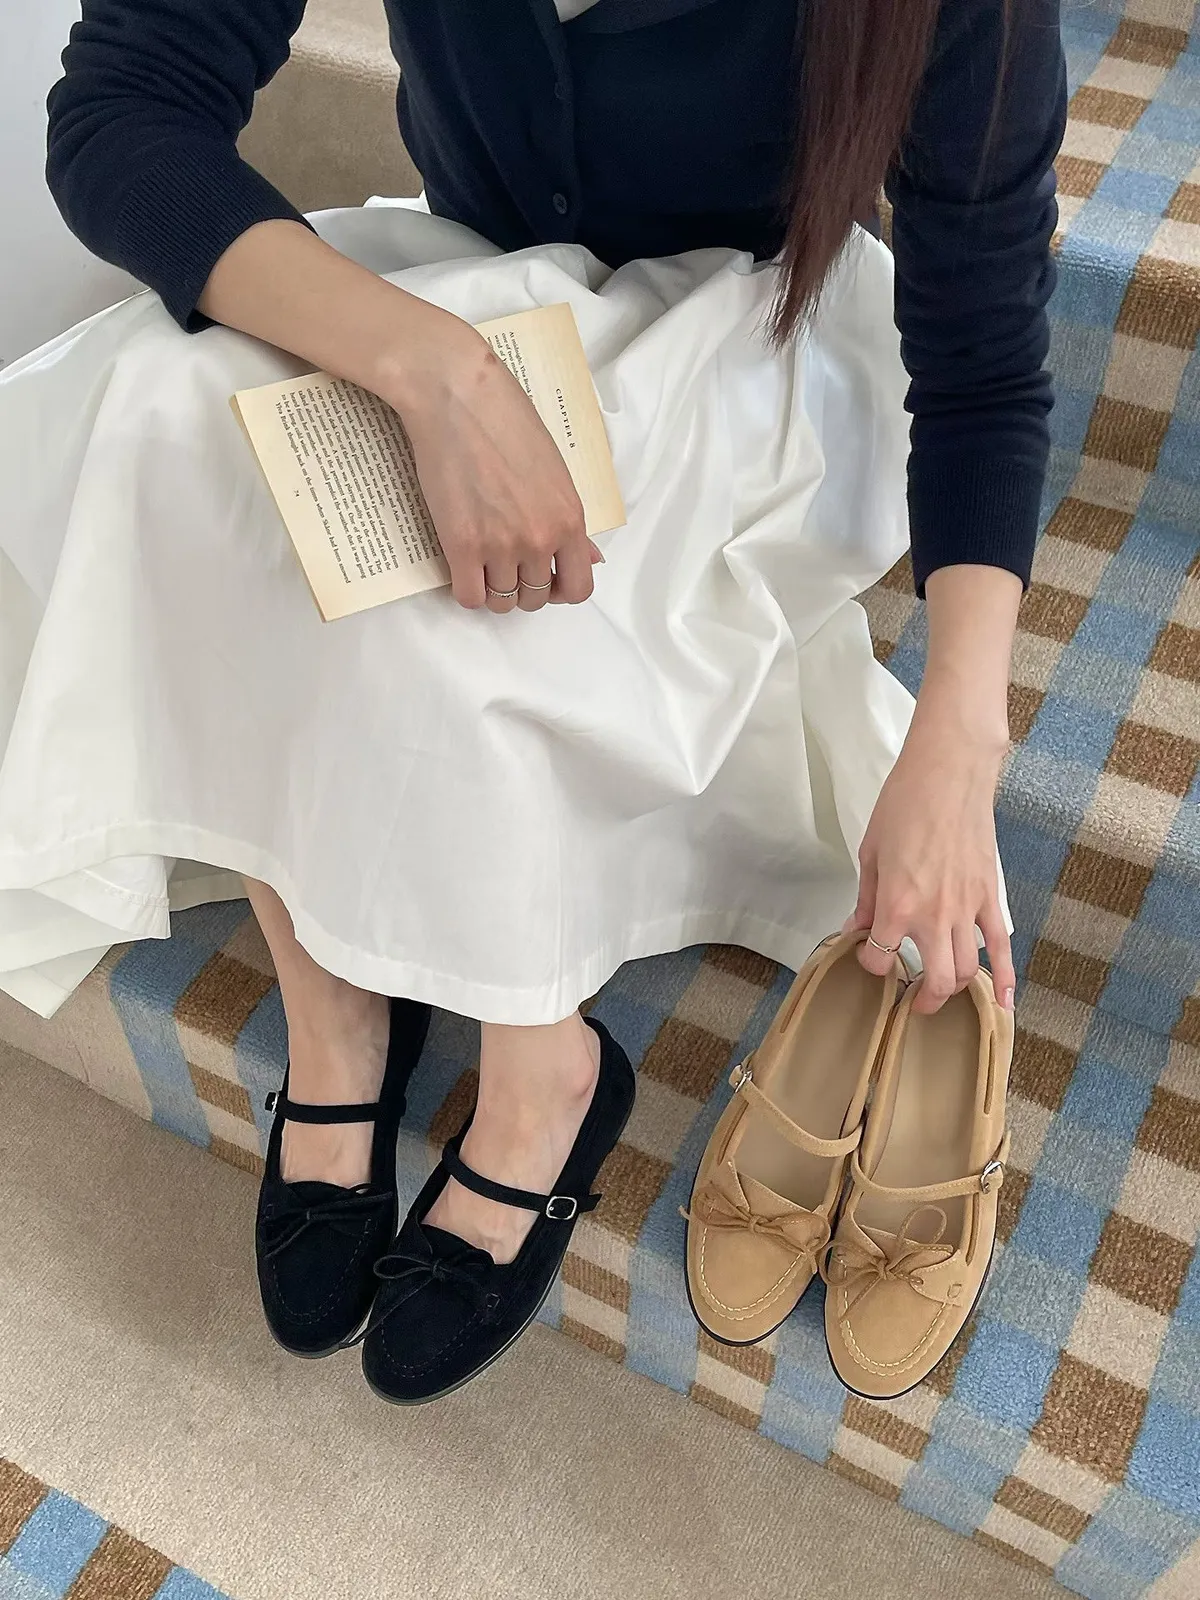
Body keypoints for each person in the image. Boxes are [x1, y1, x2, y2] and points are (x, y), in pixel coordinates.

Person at [2, 0, 1064, 1401]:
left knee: (465, 623)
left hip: (753, 330)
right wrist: (432, 372)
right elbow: (120, 110)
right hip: (470, 291)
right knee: (162, 419)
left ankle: (542, 1072)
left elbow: (986, 359)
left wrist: (961, 735)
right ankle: (336, 1014)